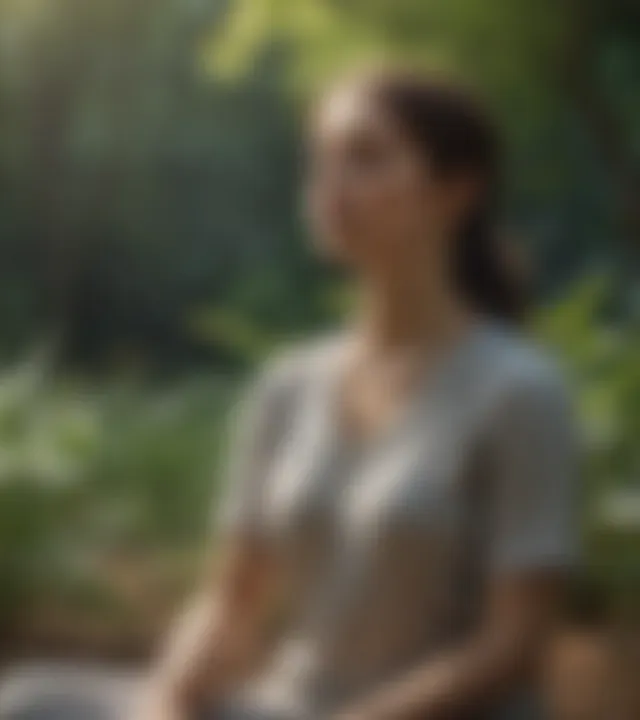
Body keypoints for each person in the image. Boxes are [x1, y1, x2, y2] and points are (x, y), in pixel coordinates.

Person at [136, 67, 580, 720]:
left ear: (456, 191)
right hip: (289, 707)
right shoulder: (285, 386)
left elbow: (513, 644)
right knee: (31, 701)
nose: (330, 184)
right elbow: (228, 603)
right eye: (321, 161)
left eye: (366, 157)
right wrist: (167, 698)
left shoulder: (519, 390)